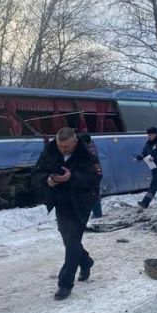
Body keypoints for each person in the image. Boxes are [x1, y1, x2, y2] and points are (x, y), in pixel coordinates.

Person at [32, 127, 102, 300]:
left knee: (72, 241)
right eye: (60, 146)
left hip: (81, 202)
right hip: (61, 201)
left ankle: (64, 284)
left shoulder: (87, 154)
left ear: (75, 142)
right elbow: (36, 173)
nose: (62, 149)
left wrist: (71, 177)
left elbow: (95, 178)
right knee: (68, 239)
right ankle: (86, 261)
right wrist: (47, 180)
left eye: (66, 146)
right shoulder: (50, 151)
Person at [136, 127, 157, 209]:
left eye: (150, 135)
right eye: (148, 135)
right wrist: (138, 157)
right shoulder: (148, 143)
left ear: (155, 134)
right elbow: (144, 152)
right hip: (152, 166)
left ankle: (145, 202)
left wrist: (155, 157)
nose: (149, 136)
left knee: (154, 183)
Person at [80, 133, 103, 219]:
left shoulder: (87, 150)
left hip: (91, 175)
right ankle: (97, 213)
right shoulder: (92, 147)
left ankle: (97, 214)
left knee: (92, 194)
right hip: (95, 173)